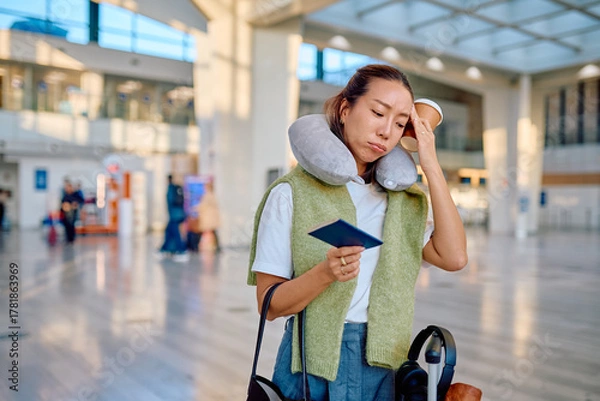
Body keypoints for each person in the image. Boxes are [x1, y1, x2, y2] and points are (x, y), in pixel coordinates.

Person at [247, 64, 467, 401]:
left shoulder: (403, 201)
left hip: (386, 367)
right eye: (378, 112)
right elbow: (269, 305)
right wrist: (324, 273)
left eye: (399, 123)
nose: (386, 132)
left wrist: (431, 165)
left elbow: (454, 257)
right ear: (345, 109)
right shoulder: (290, 193)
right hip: (310, 368)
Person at [158, 174, 189, 262]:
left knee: (175, 234)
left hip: (174, 216)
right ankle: (163, 249)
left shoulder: (171, 189)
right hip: (179, 214)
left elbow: (170, 202)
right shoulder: (178, 188)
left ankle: (182, 251)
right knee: (169, 232)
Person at [196, 181, 221, 252]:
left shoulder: (207, 195)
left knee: (207, 232)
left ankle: (198, 245)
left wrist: (195, 208)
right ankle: (217, 247)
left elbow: (203, 206)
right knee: (213, 232)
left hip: (209, 218)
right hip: (212, 218)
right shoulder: (212, 195)